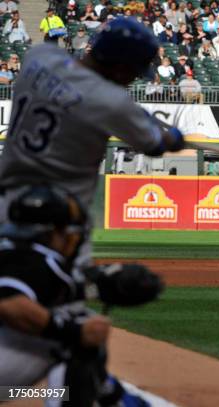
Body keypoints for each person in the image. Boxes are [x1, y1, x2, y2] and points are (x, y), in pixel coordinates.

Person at [0, 18, 184, 269]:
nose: (132, 79)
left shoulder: (39, 57)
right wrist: (173, 135)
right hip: (59, 223)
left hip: (6, 206)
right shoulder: (111, 102)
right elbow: (156, 144)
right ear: (120, 67)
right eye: (133, 72)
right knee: (57, 299)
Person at [0, 185, 162, 406]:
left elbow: (55, 289)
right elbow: (10, 305)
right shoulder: (33, 259)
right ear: (52, 232)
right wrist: (74, 333)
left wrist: (95, 284)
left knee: (73, 321)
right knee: (78, 328)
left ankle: (109, 394)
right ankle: (110, 397)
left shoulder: (15, 252)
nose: (72, 237)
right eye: (67, 230)